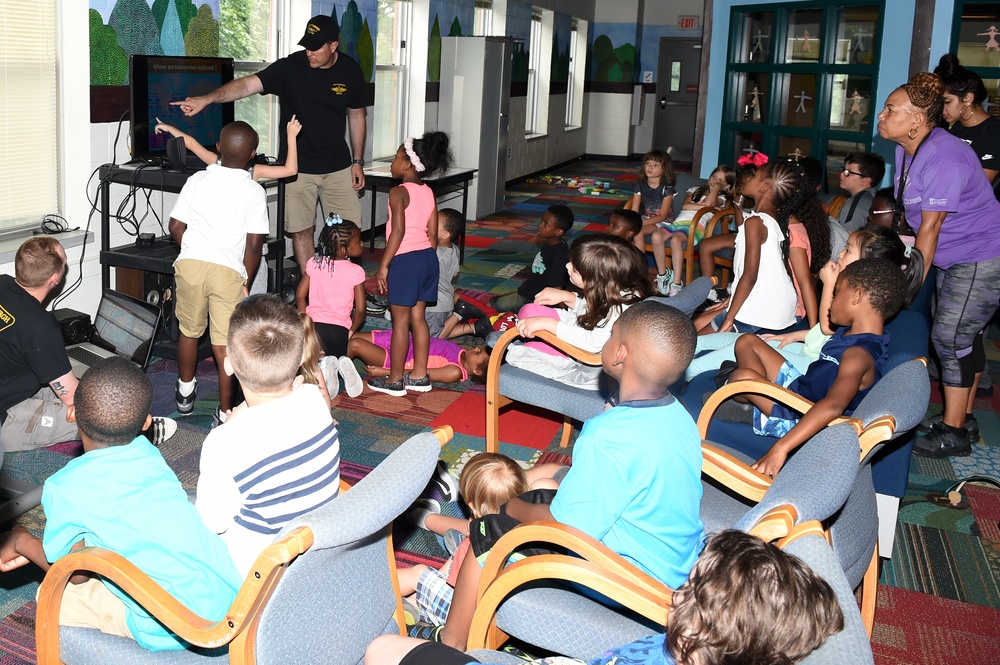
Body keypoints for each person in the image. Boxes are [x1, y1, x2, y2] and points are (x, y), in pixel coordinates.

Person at [414, 300, 704, 651]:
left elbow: (570, 528)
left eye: (611, 335)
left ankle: (451, 641)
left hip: (630, 578)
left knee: (487, 532)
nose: (607, 341)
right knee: (549, 481)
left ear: (619, 355)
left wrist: (512, 509)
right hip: (673, 562)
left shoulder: (605, 436)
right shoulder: (679, 415)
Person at [0, 357, 241, 651]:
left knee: (51, 598)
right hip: (232, 601)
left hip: (177, 625)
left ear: (72, 414)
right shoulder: (150, 455)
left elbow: (73, 574)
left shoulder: (64, 487)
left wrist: (20, 540)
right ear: (146, 424)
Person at [364, 529, 844, 665]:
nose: (679, 593)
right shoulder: (702, 649)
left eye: (691, 589)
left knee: (382, 649)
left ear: (703, 628)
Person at [171, 14, 367, 273]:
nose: (309, 52)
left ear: (333, 45)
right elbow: (246, 85)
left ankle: (342, 294)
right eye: (307, 46)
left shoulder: (351, 70)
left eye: (316, 47)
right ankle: (310, 294)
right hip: (298, 168)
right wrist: (206, 99)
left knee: (346, 234)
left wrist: (358, 161)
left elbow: (356, 115)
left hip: (339, 167)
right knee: (302, 231)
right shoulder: (290, 68)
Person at [876, 71, 1000, 457]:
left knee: (951, 339)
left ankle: (955, 432)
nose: (881, 115)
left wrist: (909, 287)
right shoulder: (907, 150)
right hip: (955, 256)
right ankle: (959, 415)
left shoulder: (945, 156)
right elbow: (913, 220)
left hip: (980, 256)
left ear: (916, 120)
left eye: (890, 109)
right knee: (961, 338)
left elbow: (931, 226)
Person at [195, 295, 341, 577]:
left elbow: (211, 524)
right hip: (314, 559)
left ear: (228, 364)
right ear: (301, 358)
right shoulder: (313, 400)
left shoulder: (223, 442)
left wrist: (231, 422)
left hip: (254, 581)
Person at [724, 258, 908, 478]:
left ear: (857, 296)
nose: (830, 300)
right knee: (747, 341)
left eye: (836, 292)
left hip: (800, 412)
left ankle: (760, 411)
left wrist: (780, 448)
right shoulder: (851, 333)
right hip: (801, 388)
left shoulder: (858, 355)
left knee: (740, 377)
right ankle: (760, 403)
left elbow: (833, 405)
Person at [0, 237, 175, 451]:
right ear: (55, 278)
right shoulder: (41, 327)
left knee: (75, 386)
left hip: (11, 383)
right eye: (65, 262)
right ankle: (136, 433)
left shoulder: (2, 283)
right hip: (5, 422)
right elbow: (73, 398)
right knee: (95, 418)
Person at [686, 225, 924, 381]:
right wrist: (793, 336)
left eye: (848, 251)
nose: (840, 254)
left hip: (815, 364)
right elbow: (824, 333)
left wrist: (829, 283)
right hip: (810, 349)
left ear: (868, 264)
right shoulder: (851, 287)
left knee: (739, 347)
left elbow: (829, 326)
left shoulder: (856, 297)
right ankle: (685, 352)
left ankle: (687, 373)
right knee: (735, 339)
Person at [169, 121, 269, 425]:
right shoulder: (254, 191)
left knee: (189, 331)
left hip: (190, 265)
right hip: (227, 270)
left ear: (217, 148)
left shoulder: (197, 180)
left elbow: (175, 226)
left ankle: (185, 392)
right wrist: (246, 283)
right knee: (224, 342)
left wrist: (195, 250)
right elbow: (254, 247)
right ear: (253, 154)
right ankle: (226, 411)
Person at [506, 234, 652, 390]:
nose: (567, 266)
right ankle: (541, 343)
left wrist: (550, 324)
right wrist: (569, 298)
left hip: (591, 364)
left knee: (516, 354)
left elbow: (592, 344)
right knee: (529, 310)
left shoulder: (618, 308)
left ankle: (556, 357)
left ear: (594, 280)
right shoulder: (617, 290)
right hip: (588, 333)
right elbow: (596, 311)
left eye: (575, 268)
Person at [371, 132, 452, 397]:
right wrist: (425, 260)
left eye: (395, 158)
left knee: (400, 323)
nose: (392, 163)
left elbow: (398, 232)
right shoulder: (428, 192)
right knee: (418, 319)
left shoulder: (398, 192)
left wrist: (384, 264)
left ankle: (395, 380)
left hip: (406, 261)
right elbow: (431, 234)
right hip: (428, 259)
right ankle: (419, 375)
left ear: (407, 164)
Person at [693, 160, 804, 336]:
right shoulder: (773, 218)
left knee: (693, 344)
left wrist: (730, 317)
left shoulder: (755, 222)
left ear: (764, 187)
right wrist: (732, 297)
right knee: (698, 324)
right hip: (776, 304)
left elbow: (750, 275)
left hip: (762, 310)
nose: (747, 179)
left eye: (754, 175)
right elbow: (765, 271)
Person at [651, 165, 735, 296]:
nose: (715, 181)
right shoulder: (695, 190)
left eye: (721, 181)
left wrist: (716, 190)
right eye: (714, 177)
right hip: (677, 224)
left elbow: (709, 203)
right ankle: (664, 275)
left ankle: (677, 283)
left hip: (695, 227)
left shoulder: (721, 199)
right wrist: (702, 206)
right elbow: (685, 205)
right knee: (656, 236)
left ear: (727, 187)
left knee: (676, 241)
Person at [295, 215, 366, 359]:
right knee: (335, 363)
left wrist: (305, 322)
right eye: (358, 241)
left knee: (312, 365)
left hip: (313, 327)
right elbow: (360, 310)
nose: (362, 243)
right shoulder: (356, 271)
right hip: (338, 331)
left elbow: (300, 295)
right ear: (343, 250)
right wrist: (351, 331)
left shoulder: (314, 263)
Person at [154, 115, 302, 181]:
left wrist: (168, 128)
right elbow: (291, 170)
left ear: (218, 146)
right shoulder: (254, 172)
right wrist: (291, 137)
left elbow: (190, 143)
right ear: (253, 153)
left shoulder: (215, 163)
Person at [490, 205, 574, 313]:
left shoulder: (560, 255)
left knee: (491, 307)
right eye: (541, 221)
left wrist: (565, 313)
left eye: (546, 224)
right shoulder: (550, 242)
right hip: (528, 290)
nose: (540, 226)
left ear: (558, 232)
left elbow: (558, 289)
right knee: (494, 301)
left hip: (533, 299)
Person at [935, 53, 1000, 186]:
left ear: (967, 98)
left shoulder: (994, 132)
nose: (942, 110)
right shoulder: (957, 128)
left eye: (947, 102)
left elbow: (980, 186)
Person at [698, 162, 758, 299]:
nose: (745, 187)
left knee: (743, 249)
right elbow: (739, 226)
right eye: (742, 184)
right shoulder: (739, 199)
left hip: (758, 238)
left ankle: (737, 286)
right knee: (706, 245)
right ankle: (708, 289)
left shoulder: (763, 199)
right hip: (742, 234)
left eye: (749, 183)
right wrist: (738, 206)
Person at [346, 331, 490, 388]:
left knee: (355, 344)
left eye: (478, 353)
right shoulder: (462, 352)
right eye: (479, 348)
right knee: (348, 335)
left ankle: (328, 373)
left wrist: (385, 372)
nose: (475, 348)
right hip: (401, 340)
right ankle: (326, 354)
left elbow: (419, 373)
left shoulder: (455, 372)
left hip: (397, 360)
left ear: (476, 370)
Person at [628, 150, 677, 288]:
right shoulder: (640, 185)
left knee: (638, 230)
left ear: (664, 169)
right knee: (631, 230)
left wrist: (640, 222)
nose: (649, 167)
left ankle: (648, 271)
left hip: (663, 222)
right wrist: (632, 220)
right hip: (645, 218)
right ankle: (632, 268)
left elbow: (662, 215)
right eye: (648, 163)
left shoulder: (667, 189)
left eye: (655, 165)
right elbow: (635, 209)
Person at [427, 209, 465, 338]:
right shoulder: (454, 249)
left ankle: (459, 315)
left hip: (434, 305)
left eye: (435, 222)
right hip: (446, 302)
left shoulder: (435, 254)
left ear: (445, 234)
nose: (429, 223)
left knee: (432, 339)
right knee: (440, 331)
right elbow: (455, 273)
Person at [834, 153, 886, 233]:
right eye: (843, 169)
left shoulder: (856, 204)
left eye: (848, 172)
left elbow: (845, 237)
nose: (842, 174)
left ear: (865, 180)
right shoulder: (874, 197)